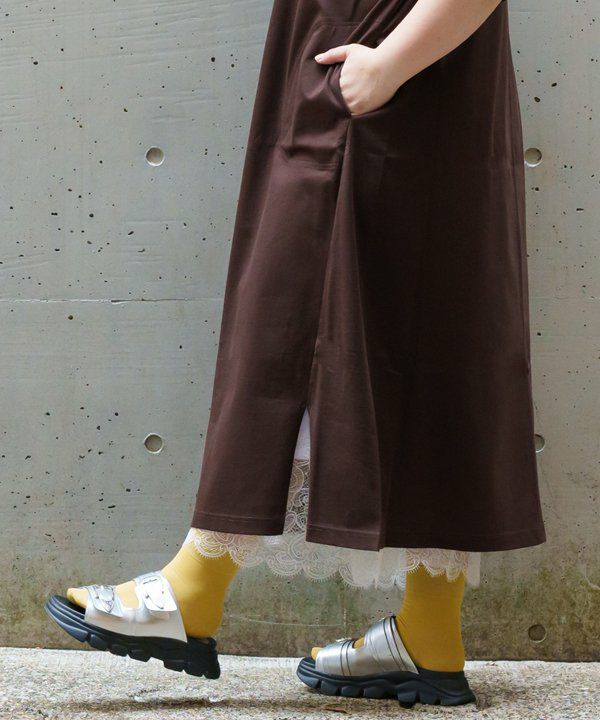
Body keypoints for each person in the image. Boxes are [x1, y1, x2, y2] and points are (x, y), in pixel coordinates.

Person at [46, 0, 546, 708]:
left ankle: (196, 587)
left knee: (297, 316)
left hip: (388, 69)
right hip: (368, 68)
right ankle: (429, 633)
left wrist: (392, 62)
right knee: (428, 322)